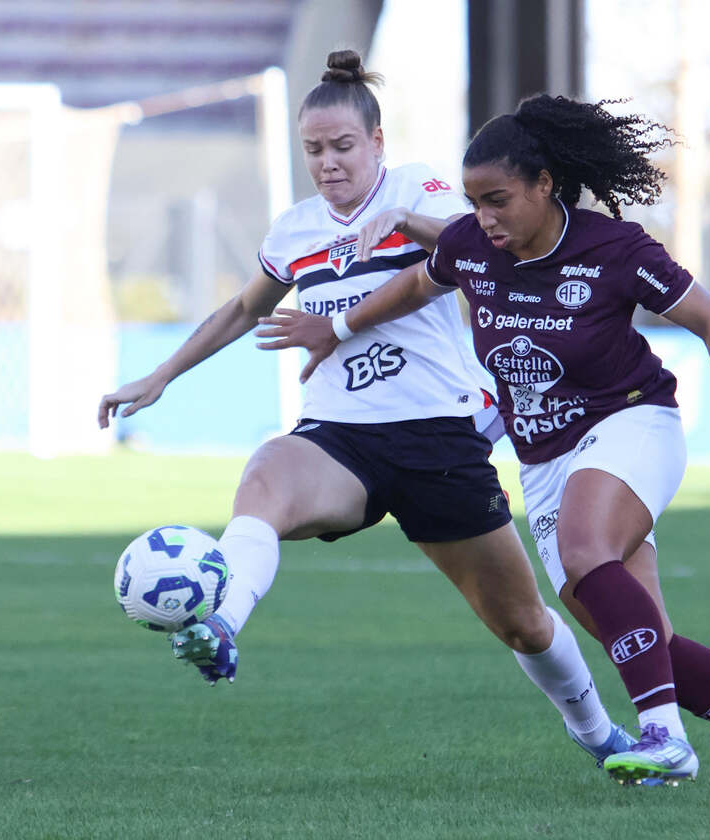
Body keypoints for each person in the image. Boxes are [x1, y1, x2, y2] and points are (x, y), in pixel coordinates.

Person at [258, 94, 710, 801]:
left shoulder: (615, 249)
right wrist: (339, 327)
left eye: (498, 200)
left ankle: (666, 741)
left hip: (631, 423)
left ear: (544, 184)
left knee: (584, 550)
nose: (484, 219)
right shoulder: (473, 247)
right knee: (643, 644)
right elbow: (419, 281)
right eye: (473, 202)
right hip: (543, 463)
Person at [97, 53, 637, 772]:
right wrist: (161, 375)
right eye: (314, 150)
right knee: (264, 481)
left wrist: (399, 221)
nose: (327, 163)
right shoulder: (293, 232)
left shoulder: (431, 190)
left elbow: (487, 254)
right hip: (339, 438)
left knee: (524, 624)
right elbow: (240, 310)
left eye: (343, 146)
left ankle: (598, 733)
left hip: (437, 437)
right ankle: (221, 625)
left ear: (378, 141)